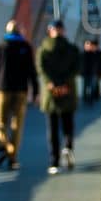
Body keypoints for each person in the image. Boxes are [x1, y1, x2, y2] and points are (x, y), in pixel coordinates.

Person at [0, 20, 38, 169]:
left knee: (1, 123)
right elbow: (32, 71)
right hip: (21, 90)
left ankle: (5, 147)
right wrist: (35, 91)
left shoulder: (0, 47)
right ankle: (12, 155)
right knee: (17, 124)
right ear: (19, 31)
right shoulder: (25, 47)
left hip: (2, 89)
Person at [37, 20, 80, 174]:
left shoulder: (43, 49)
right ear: (64, 31)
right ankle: (68, 147)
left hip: (50, 94)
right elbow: (76, 68)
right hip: (68, 91)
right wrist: (64, 84)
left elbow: (41, 69)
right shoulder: (72, 49)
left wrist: (51, 83)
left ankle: (54, 161)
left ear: (50, 31)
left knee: (52, 128)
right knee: (68, 124)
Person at [80, 39, 101, 105]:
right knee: (85, 87)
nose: (89, 46)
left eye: (89, 45)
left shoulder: (95, 54)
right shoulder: (83, 54)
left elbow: (98, 64)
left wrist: (100, 72)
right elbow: (80, 64)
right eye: (87, 45)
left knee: (92, 86)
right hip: (85, 73)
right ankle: (85, 98)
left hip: (93, 73)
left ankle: (91, 99)